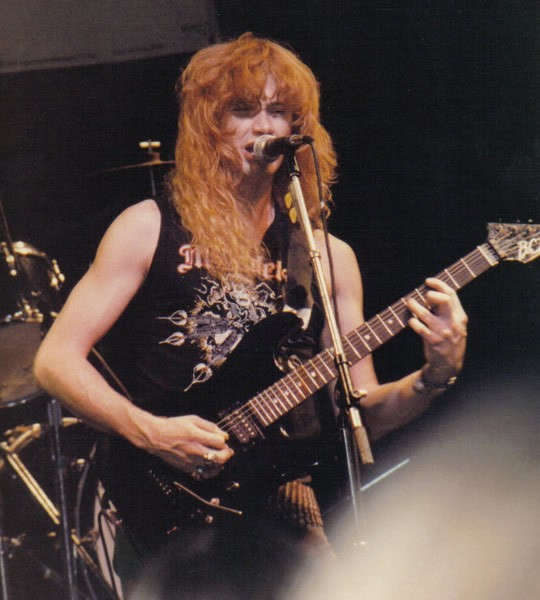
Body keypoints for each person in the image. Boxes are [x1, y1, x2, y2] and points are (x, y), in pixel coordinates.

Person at [34, 33, 468, 596]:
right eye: (242, 109)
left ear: (297, 128)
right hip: (164, 495)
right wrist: (152, 432)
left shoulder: (326, 257)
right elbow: (55, 361)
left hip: (282, 496)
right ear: (208, 125)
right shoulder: (148, 228)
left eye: (279, 111)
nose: (264, 126)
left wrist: (435, 375)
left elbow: (361, 416)